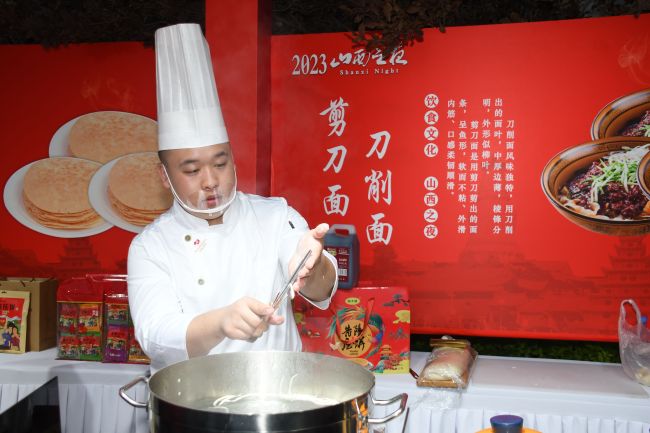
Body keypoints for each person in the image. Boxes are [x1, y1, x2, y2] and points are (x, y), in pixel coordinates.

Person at [127, 23, 338, 373]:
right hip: (191, 407)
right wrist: (221, 322)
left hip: (279, 399)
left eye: (220, 163)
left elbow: (317, 282)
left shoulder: (274, 216)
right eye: (192, 171)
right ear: (164, 176)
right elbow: (154, 332)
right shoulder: (150, 246)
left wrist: (312, 266)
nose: (210, 181)